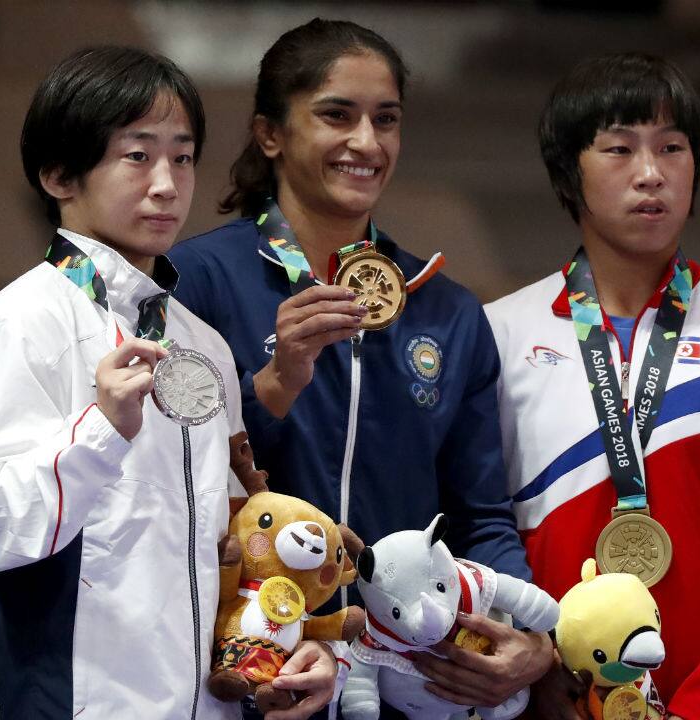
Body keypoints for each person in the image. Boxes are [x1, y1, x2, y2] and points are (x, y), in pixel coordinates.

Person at [0, 46, 336, 720]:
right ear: (60, 174)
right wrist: (99, 433)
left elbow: (238, 547)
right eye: (137, 155)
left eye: (182, 157)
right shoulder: (14, 327)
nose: (167, 183)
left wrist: (289, 641)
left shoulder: (200, 342)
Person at [166, 19, 552, 717]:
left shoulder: (447, 311)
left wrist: (525, 635)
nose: (367, 143)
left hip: (399, 682)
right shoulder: (197, 282)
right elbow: (170, 485)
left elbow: (478, 514)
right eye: (337, 115)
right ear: (270, 134)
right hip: (250, 676)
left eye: (387, 120)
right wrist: (272, 387)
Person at [482, 52, 700, 720]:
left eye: (672, 148)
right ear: (568, 171)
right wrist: (532, 667)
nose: (651, 173)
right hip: (545, 703)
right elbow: (478, 522)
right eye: (619, 149)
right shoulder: (496, 339)